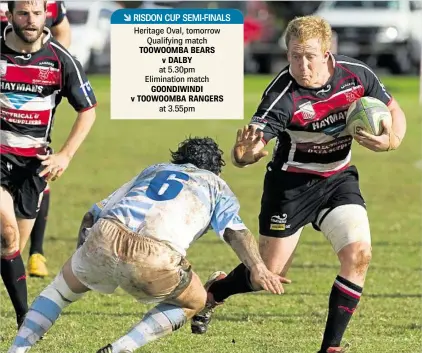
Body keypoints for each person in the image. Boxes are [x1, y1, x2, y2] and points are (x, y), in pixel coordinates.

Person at [190, 15, 407, 353]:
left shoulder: (356, 75)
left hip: (338, 179)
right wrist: (245, 154)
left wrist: (391, 140)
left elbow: (394, 109)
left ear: (327, 52)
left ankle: (330, 347)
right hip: (290, 186)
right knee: (269, 272)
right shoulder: (283, 95)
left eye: (309, 56)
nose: (302, 65)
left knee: (359, 255)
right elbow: (254, 144)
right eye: (294, 56)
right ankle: (217, 291)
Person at [7, 137, 290, 353]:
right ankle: (120, 348)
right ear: (216, 170)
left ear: (178, 159)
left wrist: (84, 256)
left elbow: (92, 214)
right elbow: (235, 232)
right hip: (156, 256)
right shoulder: (216, 185)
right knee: (196, 301)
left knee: (59, 290)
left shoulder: (154, 169)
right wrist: (258, 268)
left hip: (107, 234)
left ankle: (16, 349)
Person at [1, 0, 97, 329]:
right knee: (7, 231)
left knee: (11, 247)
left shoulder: (60, 59)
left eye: (37, 14)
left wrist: (65, 155)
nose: (30, 21)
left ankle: (19, 314)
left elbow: (88, 110)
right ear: (11, 15)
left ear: (47, 15)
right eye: (23, 14)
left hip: (33, 166)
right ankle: (24, 316)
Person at [1, 0, 71, 278]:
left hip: (35, 84)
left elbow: (62, 28)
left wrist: (57, 64)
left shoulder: (48, 2)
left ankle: (36, 252)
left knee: (37, 163)